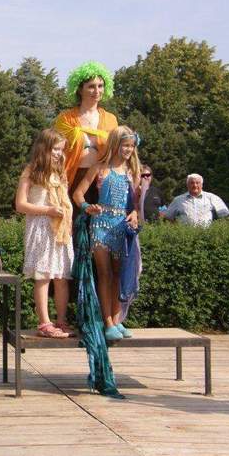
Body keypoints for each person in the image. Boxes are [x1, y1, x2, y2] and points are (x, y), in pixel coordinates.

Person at [73, 126, 141, 341]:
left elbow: (134, 204)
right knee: (104, 273)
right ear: (115, 144)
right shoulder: (99, 168)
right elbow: (78, 194)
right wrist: (87, 207)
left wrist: (134, 214)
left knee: (119, 274)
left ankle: (117, 319)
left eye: (131, 146)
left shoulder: (133, 171)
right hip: (100, 225)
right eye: (125, 145)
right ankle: (107, 322)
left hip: (122, 226)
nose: (129, 149)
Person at [15, 129, 74, 338]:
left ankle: (61, 320)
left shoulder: (60, 172)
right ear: (44, 148)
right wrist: (48, 210)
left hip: (60, 229)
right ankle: (44, 323)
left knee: (61, 276)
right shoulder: (31, 171)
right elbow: (20, 204)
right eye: (55, 149)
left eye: (61, 150)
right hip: (40, 227)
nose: (59, 153)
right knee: (44, 275)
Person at [54, 61, 119, 207]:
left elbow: (116, 152)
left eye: (100, 86)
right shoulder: (66, 119)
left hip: (102, 179)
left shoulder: (111, 119)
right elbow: (55, 149)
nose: (97, 91)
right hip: (72, 177)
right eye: (91, 86)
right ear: (79, 89)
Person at [162, 174, 229, 227]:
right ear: (187, 185)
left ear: (201, 185)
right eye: (192, 183)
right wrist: (176, 228)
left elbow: (224, 214)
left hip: (207, 235)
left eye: (197, 183)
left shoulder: (211, 197)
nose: (195, 185)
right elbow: (168, 217)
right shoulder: (178, 200)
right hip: (184, 236)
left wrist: (217, 229)